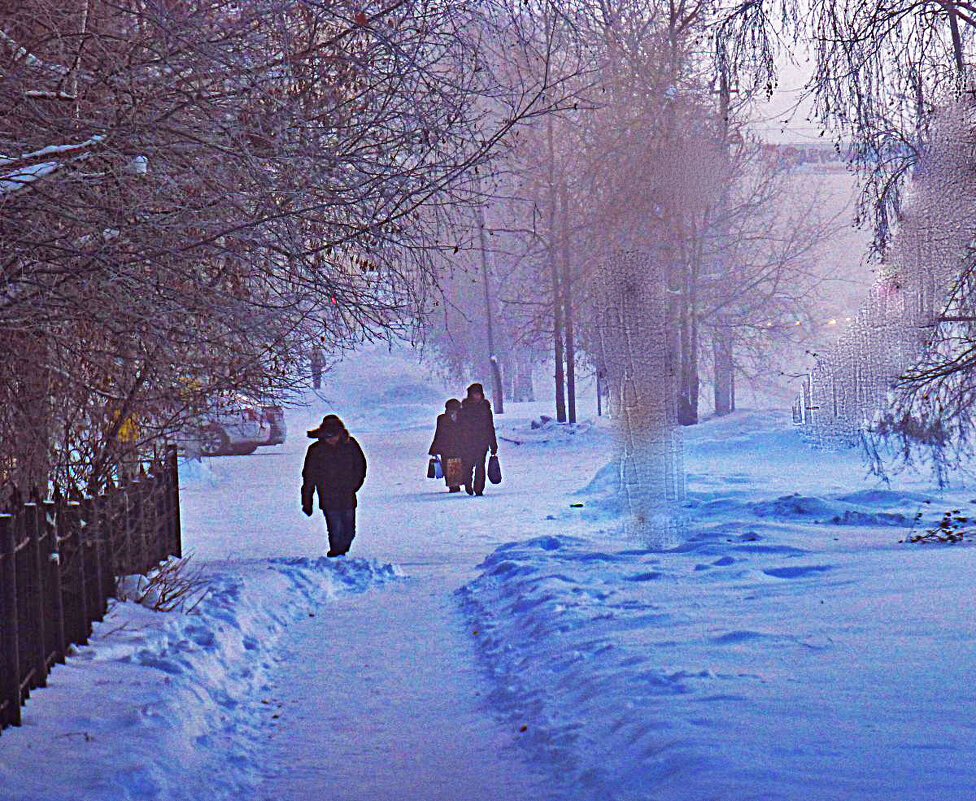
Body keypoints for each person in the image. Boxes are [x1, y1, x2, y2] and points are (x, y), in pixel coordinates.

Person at [301, 414, 367, 556]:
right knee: (335, 529)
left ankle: (340, 554)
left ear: (340, 434)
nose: (330, 439)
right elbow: (309, 476)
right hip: (327, 495)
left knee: (349, 531)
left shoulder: (351, 445)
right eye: (327, 436)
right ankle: (336, 556)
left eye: (333, 435)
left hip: (347, 495)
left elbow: (360, 466)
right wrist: (307, 501)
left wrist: (354, 485)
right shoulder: (315, 450)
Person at [460, 383, 498, 496]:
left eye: (478, 394)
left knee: (480, 465)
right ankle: (467, 483)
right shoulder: (465, 409)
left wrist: (493, 444)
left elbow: (490, 426)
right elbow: (460, 427)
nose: (477, 396)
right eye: (474, 394)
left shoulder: (485, 409)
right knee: (468, 464)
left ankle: (479, 488)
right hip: (467, 442)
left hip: (482, 441)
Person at [429, 398, 465, 492]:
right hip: (448, 447)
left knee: (458, 465)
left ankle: (456, 484)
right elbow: (439, 433)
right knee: (449, 466)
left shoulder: (463, 418)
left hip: (457, 446)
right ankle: (453, 485)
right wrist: (434, 447)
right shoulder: (442, 418)